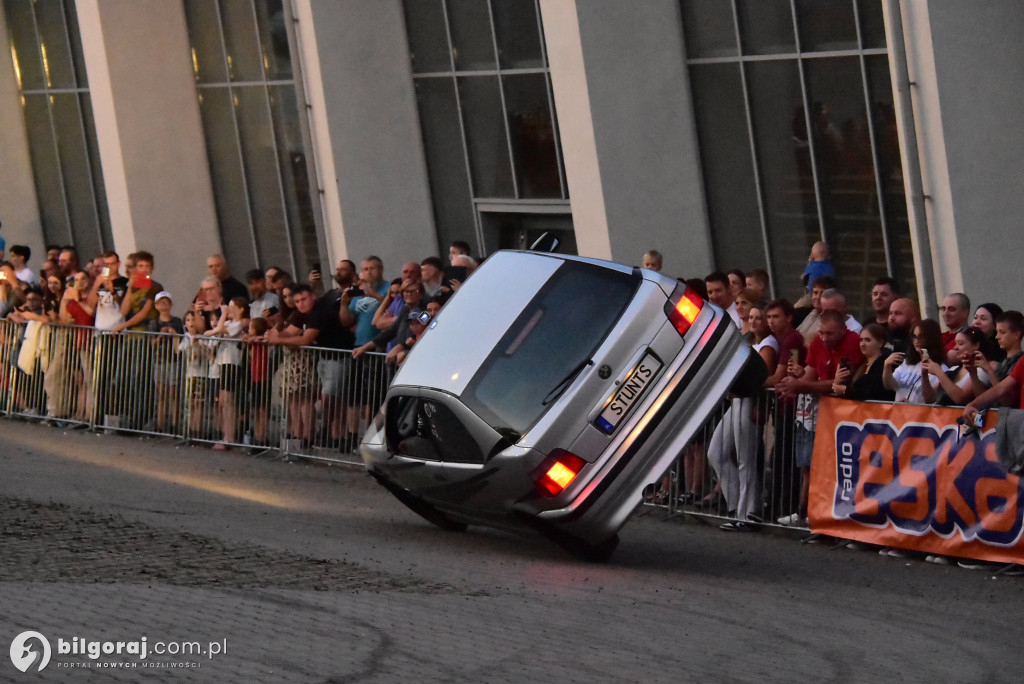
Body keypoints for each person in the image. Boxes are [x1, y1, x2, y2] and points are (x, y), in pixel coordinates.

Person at [776, 309, 864, 527]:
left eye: (830, 334)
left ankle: (822, 513)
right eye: (821, 333)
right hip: (817, 409)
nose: (824, 338)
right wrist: (794, 385)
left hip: (841, 413)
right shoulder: (817, 342)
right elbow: (810, 374)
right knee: (807, 464)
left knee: (832, 466)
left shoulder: (853, 342)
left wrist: (801, 385)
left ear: (843, 330)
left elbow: (839, 383)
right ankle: (804, 511)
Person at [713, 305, 779, 531]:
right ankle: (736, 505)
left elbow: (763, 379)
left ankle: (748, 512)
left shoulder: (768, 345)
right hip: (737, 399)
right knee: (717, 451)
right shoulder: (747, 341)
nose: (755, 321)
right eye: (752, 317)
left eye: (760, 317)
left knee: (745, 458)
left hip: (750, 399)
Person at [205, 295, 249, 449]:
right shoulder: (229, 322)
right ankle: (226, 434)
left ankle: (229, 436)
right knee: (223, 400)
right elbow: (211, 334)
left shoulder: (240, 323)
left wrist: (222, 315)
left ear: (240, 309)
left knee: (228, 400)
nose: (228, 309)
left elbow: (219, 330)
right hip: (222, 361)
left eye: (231, 306)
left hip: (231, 361)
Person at [923, 326, 991, 406]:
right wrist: (924, 375)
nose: (955, 347)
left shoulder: (982, 370)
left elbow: (959, 398)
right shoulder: (953, 369)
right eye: (955, 343)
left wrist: (938, 372)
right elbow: (930, 398)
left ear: (976, 345)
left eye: (960, 343)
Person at [882, 318, 946, 403]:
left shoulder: (942, 370)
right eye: (914, 337)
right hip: (899, 412)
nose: (916, 341)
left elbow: (932, 399)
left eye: (921, 337)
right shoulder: (908, 362)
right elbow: (890, 385)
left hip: (921, 414)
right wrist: (887, 366)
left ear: (931, 339)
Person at [147, 292, 184, 433]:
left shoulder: (177, 321)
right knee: (161, 393)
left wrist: (174, 334)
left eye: (166, 302)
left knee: (173, 393)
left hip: (173, 360)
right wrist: (161, 335)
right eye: (161, 303)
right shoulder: (154, 323)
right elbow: (152, 345)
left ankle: (174, 424)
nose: (164, 305)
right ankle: (161, 424)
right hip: (160, 360)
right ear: (156, 306)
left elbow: (180, 340)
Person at [832, 323, 895, 401]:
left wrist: (846, 391)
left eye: (867, 340)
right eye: (861, 340)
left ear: (880, 343)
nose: (862, 344)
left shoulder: (884, 364)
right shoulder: (862, 366)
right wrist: (837, 382)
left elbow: (874, 391)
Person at [795, 275, 835, 343]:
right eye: (815, 293)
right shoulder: (811, 313)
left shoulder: (831, 320)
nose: (818, 297)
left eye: (822, 293)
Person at [939, 293, 970, 363]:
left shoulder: (970, 338)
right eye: (943, 309)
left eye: (951, 309)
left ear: (965, 312)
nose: (945, 314)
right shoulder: (939, 337)